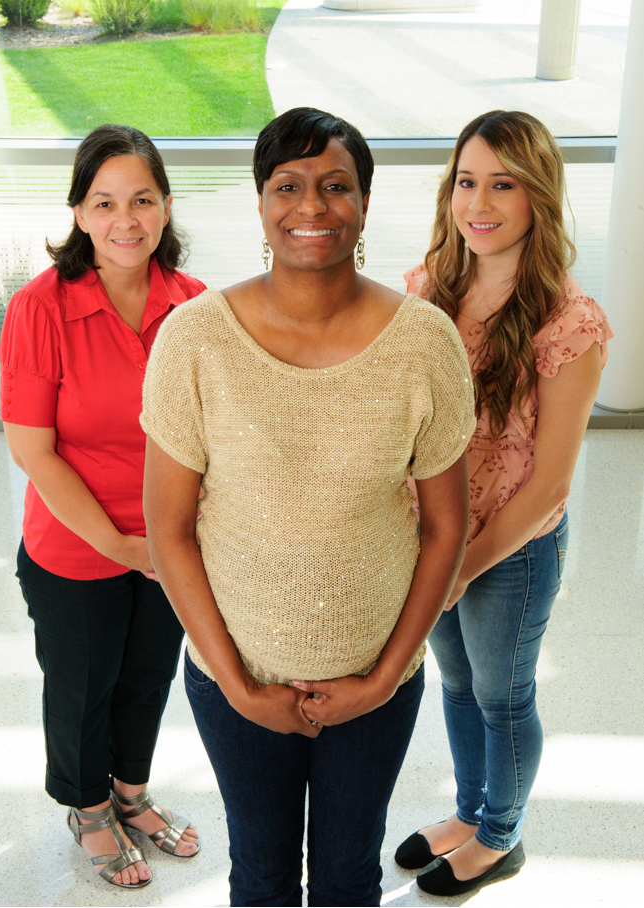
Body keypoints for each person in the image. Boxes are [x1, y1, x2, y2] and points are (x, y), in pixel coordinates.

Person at [141, 106, 476, 907]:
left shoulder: (425, 342)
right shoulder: (194, 339)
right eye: (287, 185)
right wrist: (237, 685)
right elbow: (169, 528)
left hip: (376, 681)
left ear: (363, 204)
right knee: (259, 873)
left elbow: (445, 527)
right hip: (235, 678)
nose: (312, 207)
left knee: (348, 874)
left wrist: (385, 676)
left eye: (336, 186)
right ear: (260, 204)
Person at [395, 110, 613, 897]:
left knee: (501, 692)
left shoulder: (568, 322)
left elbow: (550, 482)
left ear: (537, 197)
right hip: (439, 535)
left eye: (502, 184)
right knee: (455, 685)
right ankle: (469, 810)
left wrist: (465, 562)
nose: (477, 202)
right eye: (465, 181)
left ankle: (502, 835)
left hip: (510, 547)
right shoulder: (427, 289)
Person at [0, 124, 206, 889]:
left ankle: (131, 794)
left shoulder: (194, 306)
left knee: (148, 675)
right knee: (82, 684)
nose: (127, 220)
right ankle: (88, 809)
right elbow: (34, 451)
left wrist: (169, 543)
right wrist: (123, 547)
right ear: (80, 214)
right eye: (105, 202)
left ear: (165, 207)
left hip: (170, 542)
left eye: (142, 200)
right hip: (77, 546)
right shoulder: (39, 307)